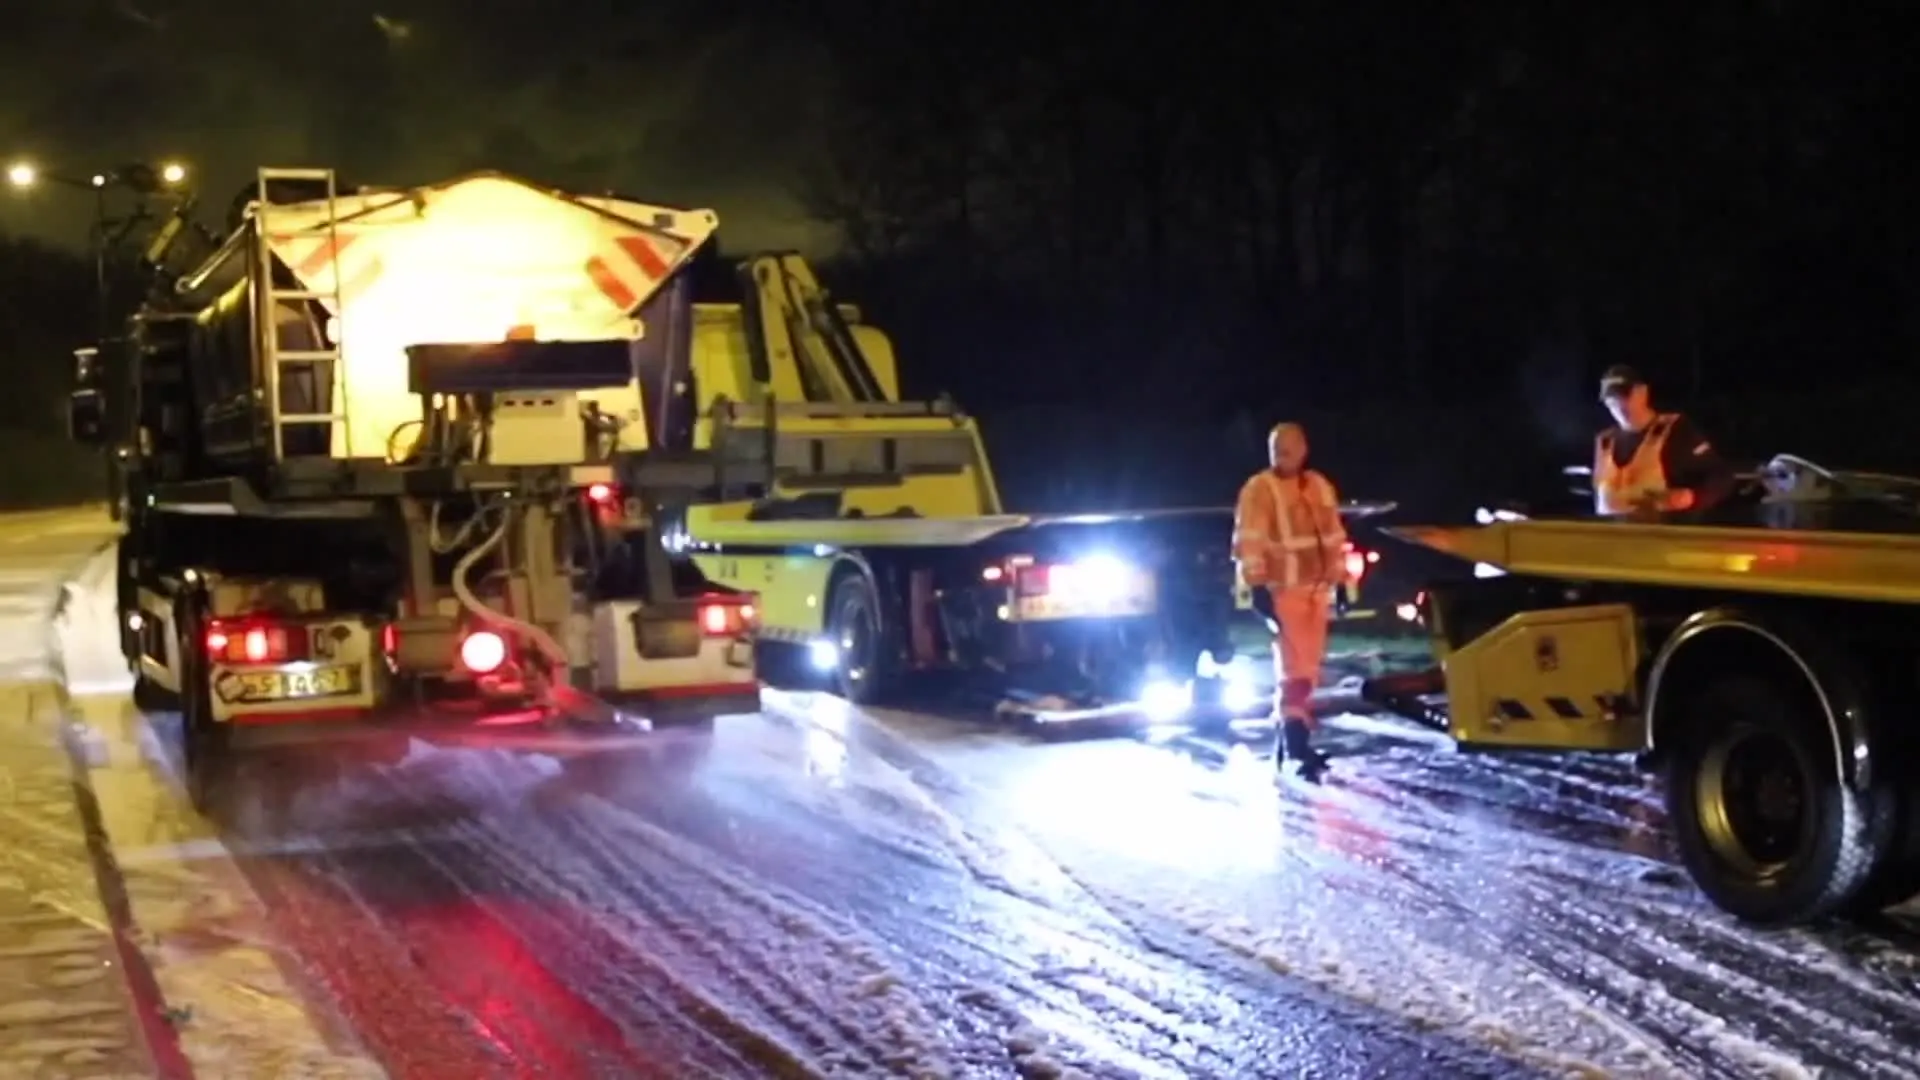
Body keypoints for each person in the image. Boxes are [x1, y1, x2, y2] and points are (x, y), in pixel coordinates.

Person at [1232, 421, 1349, 781]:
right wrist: (1258, 587)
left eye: (1288, 447)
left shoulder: (1317, 486)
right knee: (1294, 670)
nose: (1281, 454)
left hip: (1316, 590)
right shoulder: (1259, 489)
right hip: (1283, 590)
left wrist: (1341, 580)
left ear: (1303, 449)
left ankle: (1292, 739)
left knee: (1307, 669)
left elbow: (1333, 534)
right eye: (1276, 448)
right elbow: (1248, 541)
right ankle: (1296, 745)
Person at [1594, 364, 1735, 516]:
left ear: (1643, 392)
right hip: (1609, 536)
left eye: (1625, 397)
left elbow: (1721, 475)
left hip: (1657, 535)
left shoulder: (1675, 431)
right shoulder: (1604, 442)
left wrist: (1692, 497)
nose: (1620, 407)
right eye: (1612, 401)